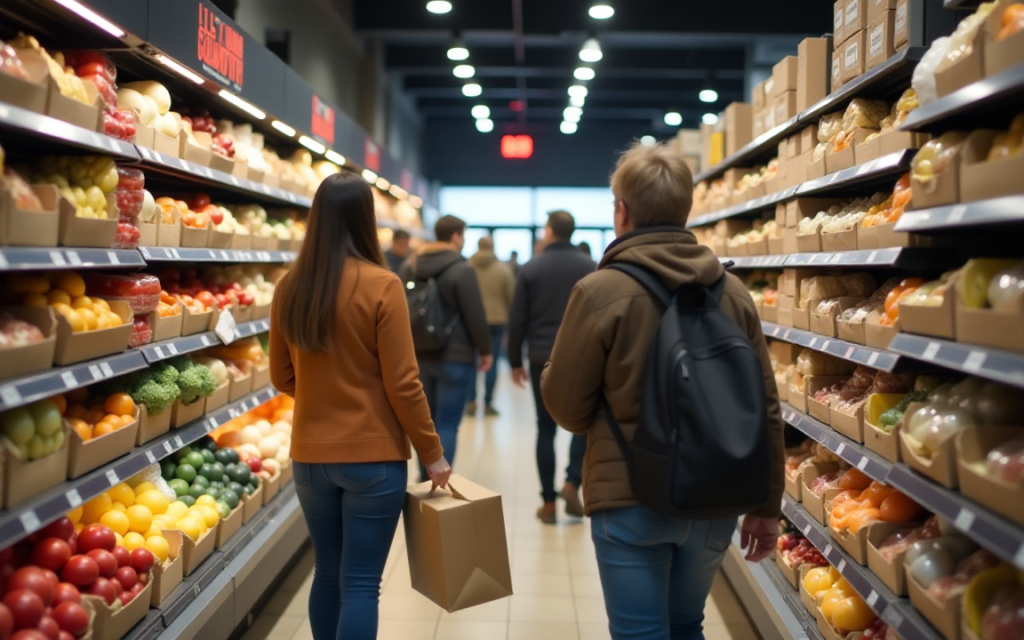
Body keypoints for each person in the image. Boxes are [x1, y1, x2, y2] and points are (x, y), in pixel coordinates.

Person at [540, 142, 783, 640]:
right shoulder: (733, 293)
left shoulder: (600, 292)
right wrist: (767, 506)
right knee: (686, 626)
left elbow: (566, 409)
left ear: (622, 211)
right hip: (717, 495)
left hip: (629, 495)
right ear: (685, 209)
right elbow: (766, 408)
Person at [269, 173, 452, 640]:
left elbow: (281, 377)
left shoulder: (290, 287)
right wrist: (432, 452)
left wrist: (321, 395)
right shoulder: (382, 285)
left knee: (327, 574)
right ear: (365, 220)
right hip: (373, 461)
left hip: (309, 459)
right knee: (361, 583)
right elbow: (404, 384)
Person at [508, 211, 595, 524]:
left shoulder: (532, 267)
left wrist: (515, 360)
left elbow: (517, 318)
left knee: (544, 428)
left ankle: (547, 504)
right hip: (583, 357)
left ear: (549, 231)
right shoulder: (591, 266)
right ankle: (572, 483)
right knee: (583, 424)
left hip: (541, 357)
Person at [400, 215, 492, 477]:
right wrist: (485, 351)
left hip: (418, 355)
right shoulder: (463, 269)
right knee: (448, 423)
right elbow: (475, 315)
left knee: (424, 423)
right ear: (456, 237)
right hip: (456, 355)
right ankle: (440, 480)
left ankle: (423, 473)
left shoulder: (410, 266)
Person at [467, 236, 515, 416]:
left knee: (471, 361)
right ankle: (488, 403)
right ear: (493, 247)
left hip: (471, 320)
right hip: (496, 321)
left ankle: (470, 402)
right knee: (491, 363)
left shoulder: (467, 267)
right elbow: (511, 299)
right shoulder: (503, 270)